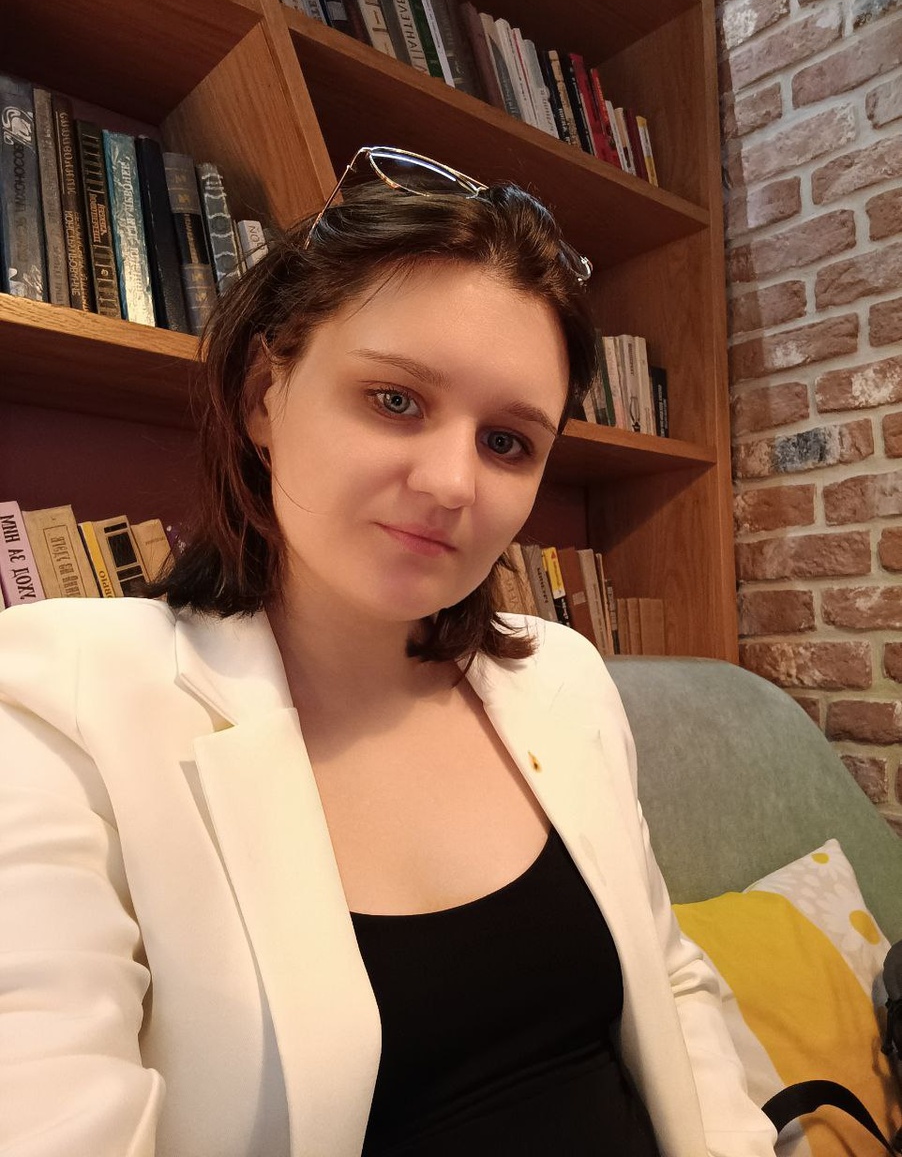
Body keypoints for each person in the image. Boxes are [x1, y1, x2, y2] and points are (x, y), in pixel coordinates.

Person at [0, 146, 777, 1157]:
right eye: (396, 400)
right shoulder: (62, 702)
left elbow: (670, 979)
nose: (453, 483)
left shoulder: (560, 675)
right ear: (264, 396)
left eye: (507, 441)